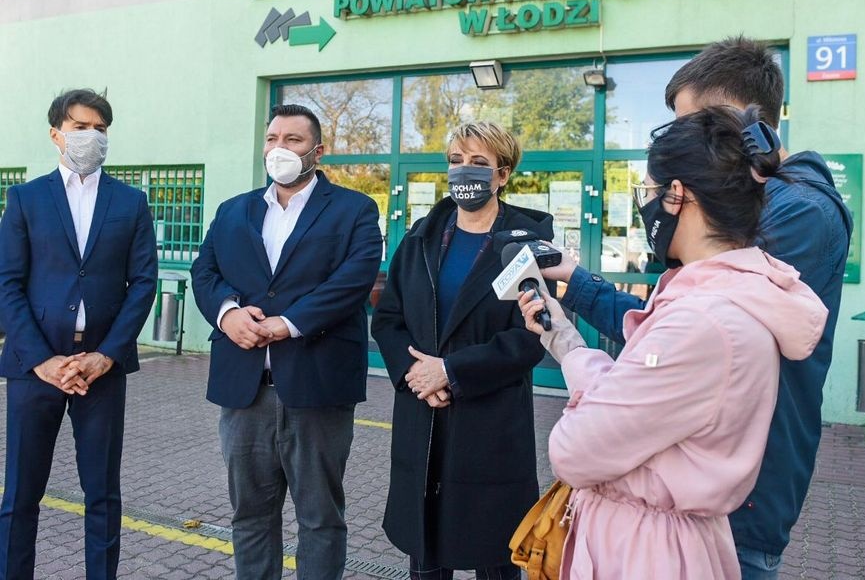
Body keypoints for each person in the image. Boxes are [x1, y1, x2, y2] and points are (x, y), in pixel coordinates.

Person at [543, 37, 852, 578]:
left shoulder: (792, 216)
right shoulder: (728, 268)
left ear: (734, 124)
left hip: (728, 507)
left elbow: (681, 343)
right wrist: (578, 295)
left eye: (694, 126)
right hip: (697, 499)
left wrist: (590, 391)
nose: (685, 141)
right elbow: (667, 343)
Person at [190, 103, 382, 580]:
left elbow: (353, 280)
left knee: (320, 518)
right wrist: (228, 313)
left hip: (317, 389)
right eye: (273, 138)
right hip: (245, 390)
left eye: (293, 140)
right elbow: (204, 270)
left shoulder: (355, 210)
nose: (280, 148)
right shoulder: (233, 210)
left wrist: (288, 323)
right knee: (250, 516)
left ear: (318, 151)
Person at [371, 121, 552, 580]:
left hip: (489, 423)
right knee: (426, 553)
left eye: (478, 162)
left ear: (502, 174)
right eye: (456, 160)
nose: (463, 170)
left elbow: (531, 336)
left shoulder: (525, 243)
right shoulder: (421, 238)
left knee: (496, 555)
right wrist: (416, 375)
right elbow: (389, 318)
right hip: (424, 414)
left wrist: (451, 371)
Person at [0, 89, 158, 579]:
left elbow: (143, 283)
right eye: (81, 127)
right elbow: (7, 282)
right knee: (20, 494)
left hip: (101, 370)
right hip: (35, 368)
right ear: (56, 134)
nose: (92, 136)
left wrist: (106, 355)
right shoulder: (25, 199)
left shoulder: (131, 202)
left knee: (103, 495)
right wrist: (42, 360)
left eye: (100, 129)